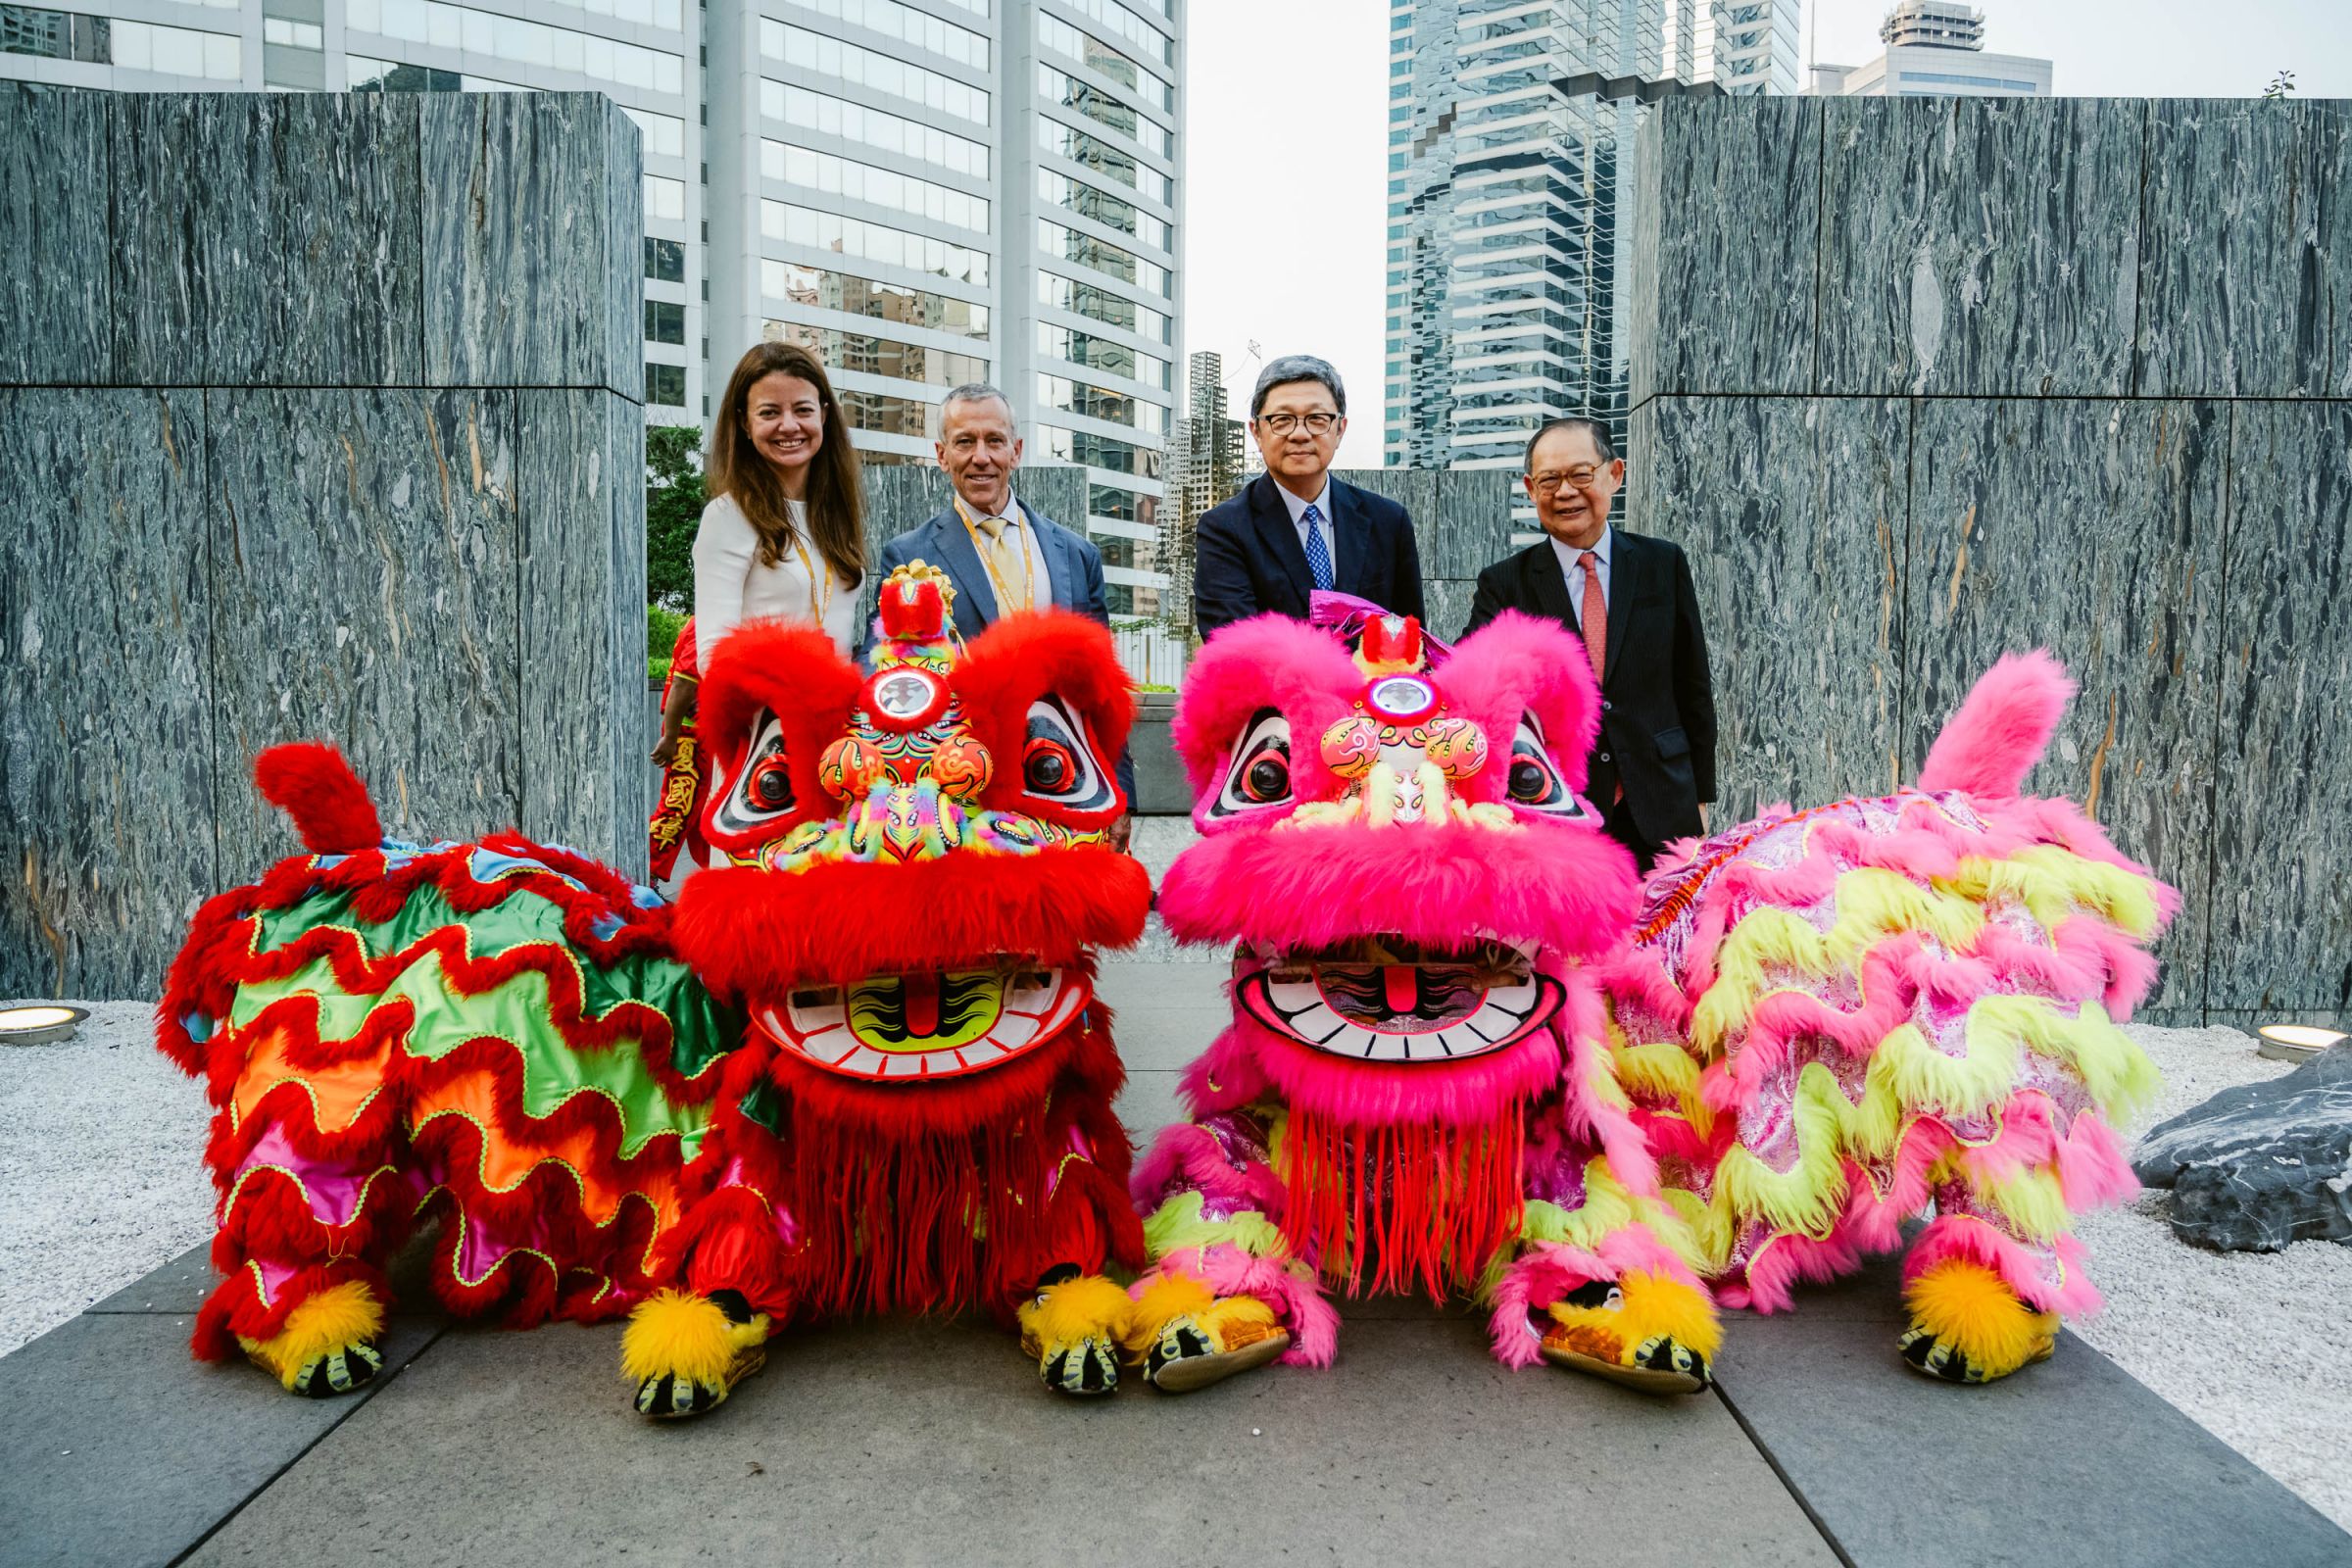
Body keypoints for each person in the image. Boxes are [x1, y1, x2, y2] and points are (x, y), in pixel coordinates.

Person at [875, 382, 1134, 845]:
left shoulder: (1076, 554)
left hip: (1068, 782)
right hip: (961, 790)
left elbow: (1104, 689)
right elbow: (892, 678)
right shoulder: (907, 557)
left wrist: (1121, 794)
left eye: (994, 441)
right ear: (941, 454)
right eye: (964, 442)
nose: (981, 457)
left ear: (1015, 451)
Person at [1462, 416, 1715, 870]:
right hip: (1559, 806)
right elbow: (1469, 685)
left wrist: (1701, 796)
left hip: (1662, 799)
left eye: (1581, 474)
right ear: (1529, 488)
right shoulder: (1504, 584)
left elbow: (1692, 683)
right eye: (1549, 480)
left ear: (1614, 474)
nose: (1565, 491)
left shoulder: (1662, 563)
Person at [1193, 354, 1425, 640]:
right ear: (1257, 432)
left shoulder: (1388, 522)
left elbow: (1412, 640)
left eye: (1317, 419)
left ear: (1340, 429)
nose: (1300, 434)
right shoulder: (1225, 529)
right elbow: (1234, 647)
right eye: (1282, 420)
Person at [693, 342, 866, 669]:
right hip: (770, 717)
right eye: (769, 412)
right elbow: (714, 658)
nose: (789, 426)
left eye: (802, 410)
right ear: (745, 423)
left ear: (824, 415)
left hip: (837, 716)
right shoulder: (727, 516)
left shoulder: (834, 512)